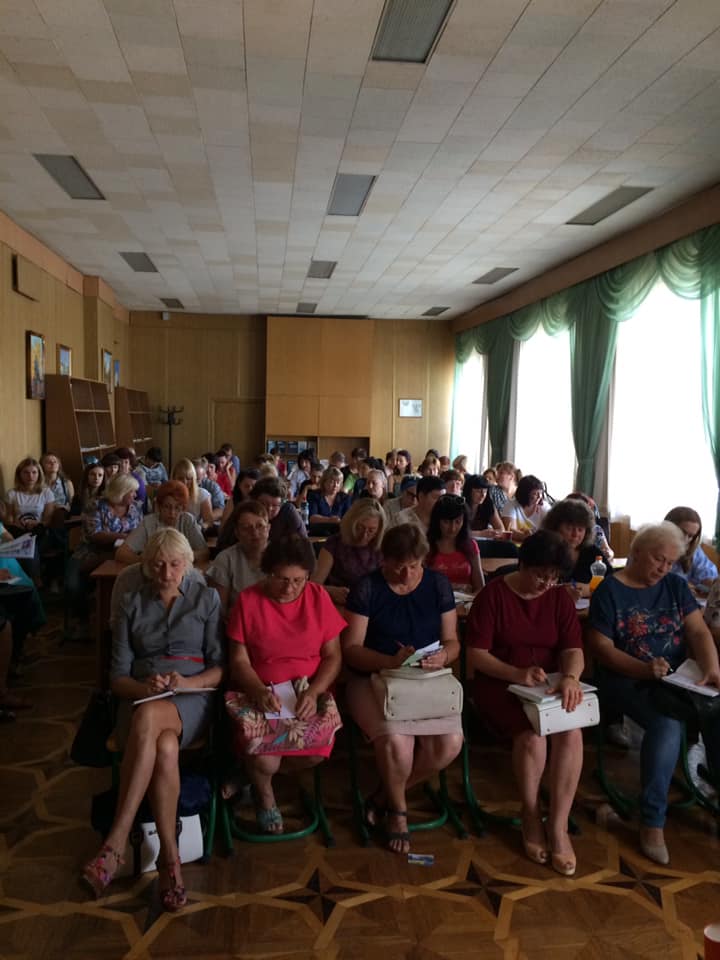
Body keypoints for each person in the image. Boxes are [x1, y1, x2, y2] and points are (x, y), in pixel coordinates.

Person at [82, 528, 223, 909]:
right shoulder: (131, 602)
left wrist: (189, 682)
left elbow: (219, 669)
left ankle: (116, 841)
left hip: (192, 697)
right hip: (142, 695)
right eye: (158, 565)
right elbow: (117, 678)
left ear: (187, 564)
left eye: (175, 564)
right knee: (164, 746)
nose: (166, 573)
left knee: (149, 718)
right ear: (146, 566)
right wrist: (143, 687)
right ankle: (169, 860)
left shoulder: (206, 599)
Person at [587, 522, 720, 864]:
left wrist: (711, 670)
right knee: (667, 723)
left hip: (675, 678)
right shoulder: (610, 590)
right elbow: (601, 648)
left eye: (670, 563)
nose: (664, 568)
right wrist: (643, 669)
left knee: (716, 709)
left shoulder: (675, 585)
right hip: (625, 679)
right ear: (637, 552)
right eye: (658, 559)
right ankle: (652, 821)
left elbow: (698, 632)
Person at [466, 530, 584, 875]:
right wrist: (515, 673)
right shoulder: (493, 596)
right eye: (540, 575)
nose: (546, 584)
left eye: (553, 577)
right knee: (533, 736)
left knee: (571, 733)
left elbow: (573, 649)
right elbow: (476, 655)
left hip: (545, 685)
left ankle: (558, 825)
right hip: (501, 684)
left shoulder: (559, 598)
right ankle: (531, 813)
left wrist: (571, 677)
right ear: (523, 565)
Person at [342, 524, 463, 854]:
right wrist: (389, 661)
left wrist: (443, 656)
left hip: (424, 681)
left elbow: (452, 642)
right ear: (384, 560)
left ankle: (383, 796)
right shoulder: (368, 587)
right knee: (398, 742)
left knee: (450, 744)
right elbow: (351, 650)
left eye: (414, 565)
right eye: (398, 566)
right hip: (373, 678)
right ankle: (398, 811)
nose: (407, 574)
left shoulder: (437, 584)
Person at [225, 536, 345, 833]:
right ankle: (265, 796)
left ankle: (251, 774)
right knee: (266, 760)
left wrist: (314, 691)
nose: (289, 588)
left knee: (316, 750)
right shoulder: (249, 600)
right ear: (268, 572)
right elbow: (239, 661)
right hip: (261, 691)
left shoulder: (318, 597)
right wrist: (258, 690)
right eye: (281, 579)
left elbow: (333, 656)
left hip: (308, 691)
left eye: (298, 580)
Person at [311, 499, 385, 605]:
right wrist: (330, 591)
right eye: (360, 528)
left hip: (373, 605)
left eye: (371, 530)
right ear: (351, 523)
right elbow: (313, 585)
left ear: (379, 530)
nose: (364, 535)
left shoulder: (383, 546)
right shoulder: (334, 544)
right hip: (340, 604)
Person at [115, 481, 209, 564]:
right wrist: (146, 562)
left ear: (183, 508)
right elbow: (121, 553)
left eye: (177, 508)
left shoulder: (188, 520)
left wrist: (178, 559)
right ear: (159, 507)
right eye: (167, 507)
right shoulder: (148, 522)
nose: (172, 513)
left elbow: (204, 553)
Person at [206, 502, 269, 618]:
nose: (254, 533)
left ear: (268, 528)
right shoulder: (225, 559)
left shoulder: (282, 556)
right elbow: (219, 611)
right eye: (246, 528)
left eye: (260, 526)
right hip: (238, 623)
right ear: (237, 533)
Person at [542, 498, 610, 599]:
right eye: (569, 528)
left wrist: (589, 589)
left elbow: (611, 582)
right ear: (555, 527)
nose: (575, 535)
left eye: (580, 529)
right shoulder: (543, 550)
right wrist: (560, 591)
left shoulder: (592, 551)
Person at [426, 494, 484, 593]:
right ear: (437, 521)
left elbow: (480, 587)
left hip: (467, 600)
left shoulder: (470, 545)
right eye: (446, 522)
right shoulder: (426, 546)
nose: (452, 528)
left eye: (458, 522)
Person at [664, 506, 718, 590]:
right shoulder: (650, 546)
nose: (685, 539)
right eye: (682, 532)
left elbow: (708, 575)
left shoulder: (693, 550)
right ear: (668, 527)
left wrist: (714, 584)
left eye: (690, 536)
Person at [501, 475, 548, 540]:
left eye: (541, 493)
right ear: (525, 494)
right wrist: (529, 537)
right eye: (535, 493)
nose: (539, 496)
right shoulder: (511, 505)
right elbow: (510, 531)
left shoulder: (544, 507)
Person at [171, 459, 214, 528]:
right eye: (180, 478)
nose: (185, 482)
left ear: (194, 479)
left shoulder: (202, 494)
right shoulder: (167, 494)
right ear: (174, 478)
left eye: (188, 478)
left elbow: (209, 522)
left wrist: (199, 527)